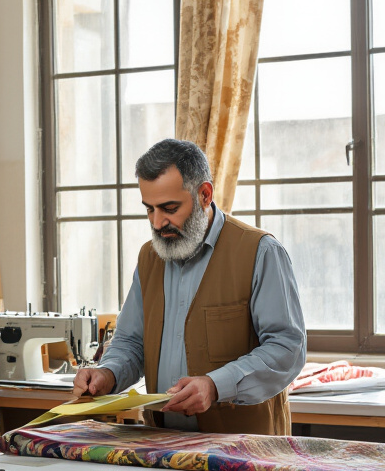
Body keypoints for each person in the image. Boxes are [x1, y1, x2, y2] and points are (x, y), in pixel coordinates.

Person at [72, 138, 307, 434]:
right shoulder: (149, 256)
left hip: (243, 450)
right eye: (149, 210)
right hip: (161, 444)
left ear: (205, 194)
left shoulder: (261, 252)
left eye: (169, 208)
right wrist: (108, 373)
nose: (158, 223)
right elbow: (131, 342)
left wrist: (215, 386)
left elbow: (288, 348)